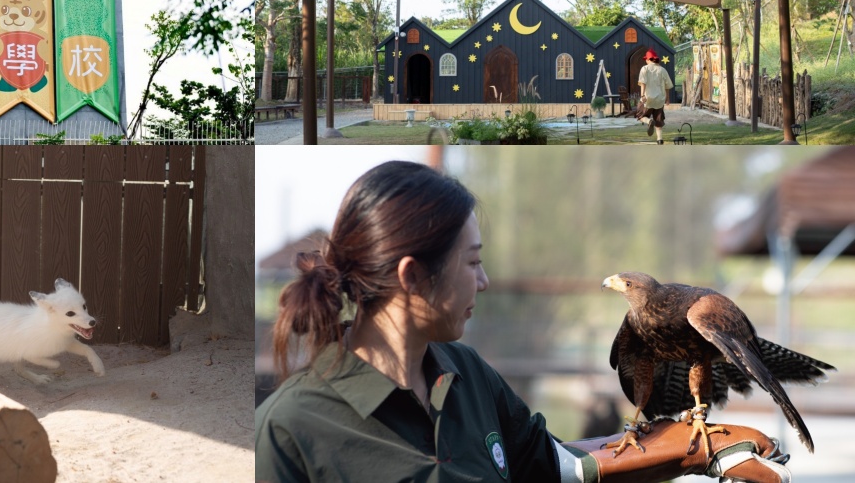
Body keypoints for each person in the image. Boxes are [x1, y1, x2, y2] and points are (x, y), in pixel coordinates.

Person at [255, 160, 791, 483]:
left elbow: (554, 466)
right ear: (413, 276)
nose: (483, 281)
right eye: (472, 262)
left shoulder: (464, 373)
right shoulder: (289, 431)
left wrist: (695, 448)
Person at [637, 48, 674, 144]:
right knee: (659, 120)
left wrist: (642, 95)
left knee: (640, 115)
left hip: (648, 99)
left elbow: (643, 83)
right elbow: (668, 86)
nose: (645, 60)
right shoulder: (662, 70)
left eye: (646, 59)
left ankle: (649, 121)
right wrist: (667, 98)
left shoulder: (644, 69)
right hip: (659, 99)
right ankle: (660, 139)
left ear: (649, 59)